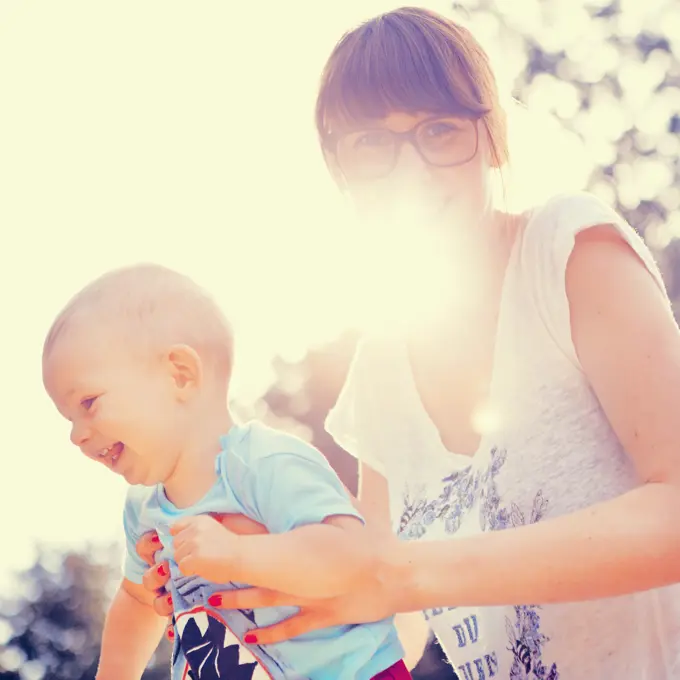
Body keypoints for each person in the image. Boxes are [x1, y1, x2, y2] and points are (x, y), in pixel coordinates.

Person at [134, 6, 680, 679]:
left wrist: (396, 574)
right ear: (340, 169)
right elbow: (391, 615)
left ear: (494, 139)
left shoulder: (567, 255)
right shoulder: (380, 371)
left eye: (440, 130)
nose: (409, 172)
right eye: (371, 144)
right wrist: (246, 577)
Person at [41, 263, 411, 680]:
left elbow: (354, 556)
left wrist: (239, 556)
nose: (75, 436)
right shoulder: (143, 511)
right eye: (67, 417)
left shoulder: (264, 464)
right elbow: (137, 599)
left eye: (88, 403)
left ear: (179, 375)